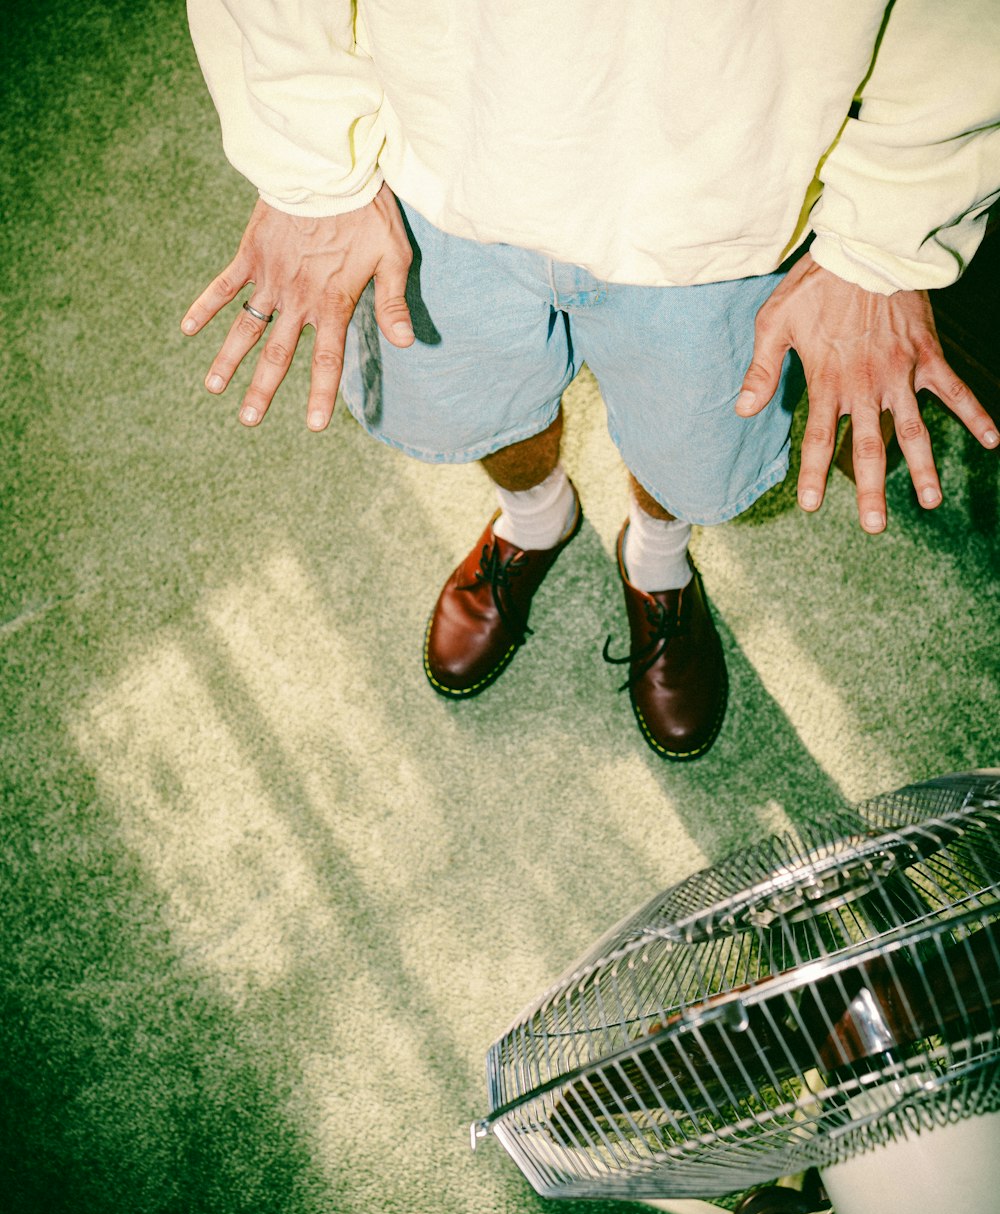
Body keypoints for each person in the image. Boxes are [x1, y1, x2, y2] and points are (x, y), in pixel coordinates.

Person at [182, 1, 1000, 761]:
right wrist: (307, 164)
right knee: (478, 401)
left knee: (690, 440)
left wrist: (887, 234)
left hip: (733, 192)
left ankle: (657, 558)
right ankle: (536, 519)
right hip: (436, 149)